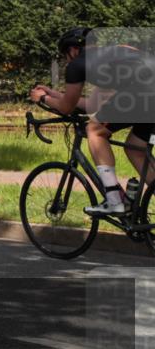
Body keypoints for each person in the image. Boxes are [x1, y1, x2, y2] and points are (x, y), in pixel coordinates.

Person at [30, 27, 155, 215]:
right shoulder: (111, 57)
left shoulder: (77, 64)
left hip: (142, 92)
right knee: (134, 148)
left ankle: (114, 201)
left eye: (65, 56)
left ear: (72, 50)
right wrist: (55, 94)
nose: (67, 61)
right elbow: (92, 104)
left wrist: (41, 98)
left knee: (95, 130)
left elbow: (66, 108)